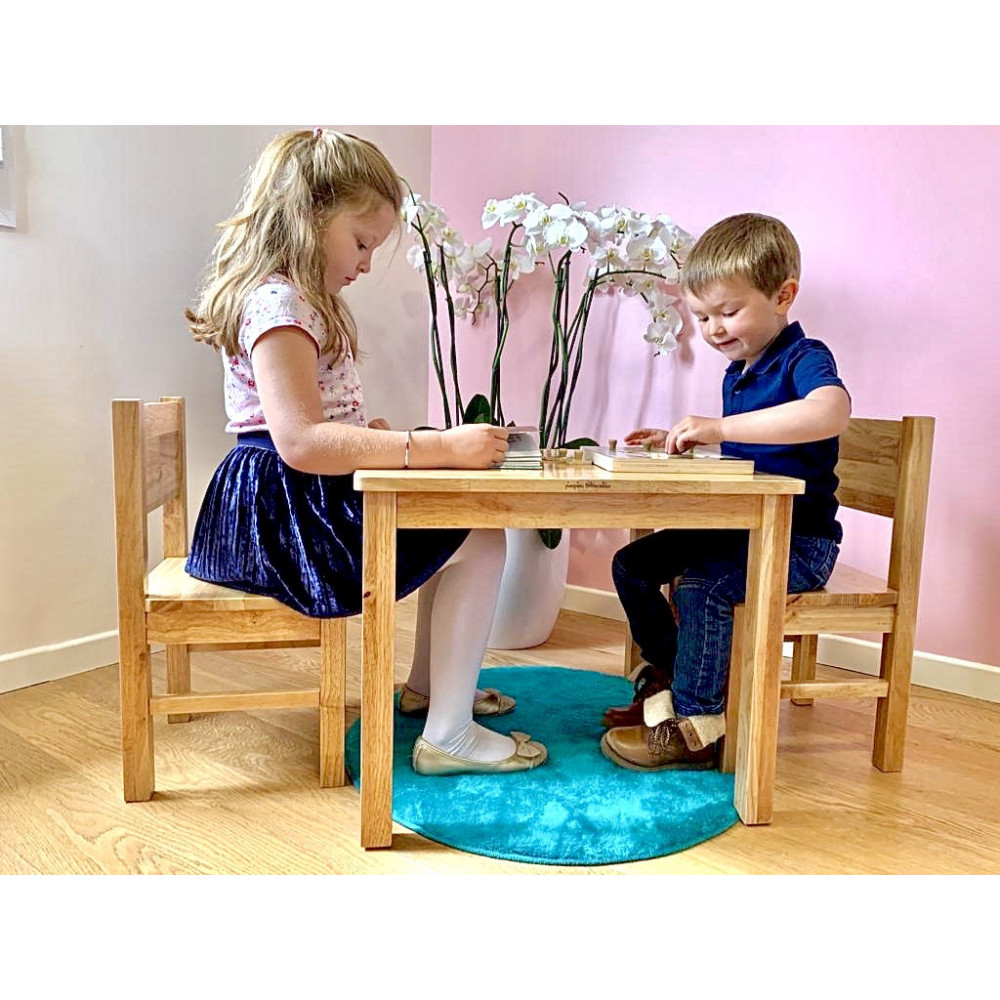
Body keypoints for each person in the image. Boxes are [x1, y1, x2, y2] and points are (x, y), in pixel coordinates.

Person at [184, 128, 547, 776]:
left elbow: (316, 423)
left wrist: (367, 431)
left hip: (292, 498)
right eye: (361, 242)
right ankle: (449, 735)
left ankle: (433, 692)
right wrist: (426, 447)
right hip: (286, 518)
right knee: (483, 539)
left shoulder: (294, 300)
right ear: (308, 216)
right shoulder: (277, 305)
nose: (367, 263)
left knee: (459, 534)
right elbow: (298, 441)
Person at [600, 213, 851, 770]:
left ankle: (697, 728)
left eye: (728, 311)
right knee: (631, 565)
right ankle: (670, 683)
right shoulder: (738, 370)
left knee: (702, 588)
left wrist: (719, 428)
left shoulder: (803, 359)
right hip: (739, 528)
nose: (714, 328)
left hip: (796, 542)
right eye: (701, 316)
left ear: (783, 296)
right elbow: (756, 458)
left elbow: (829, 412)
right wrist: (684, 440)